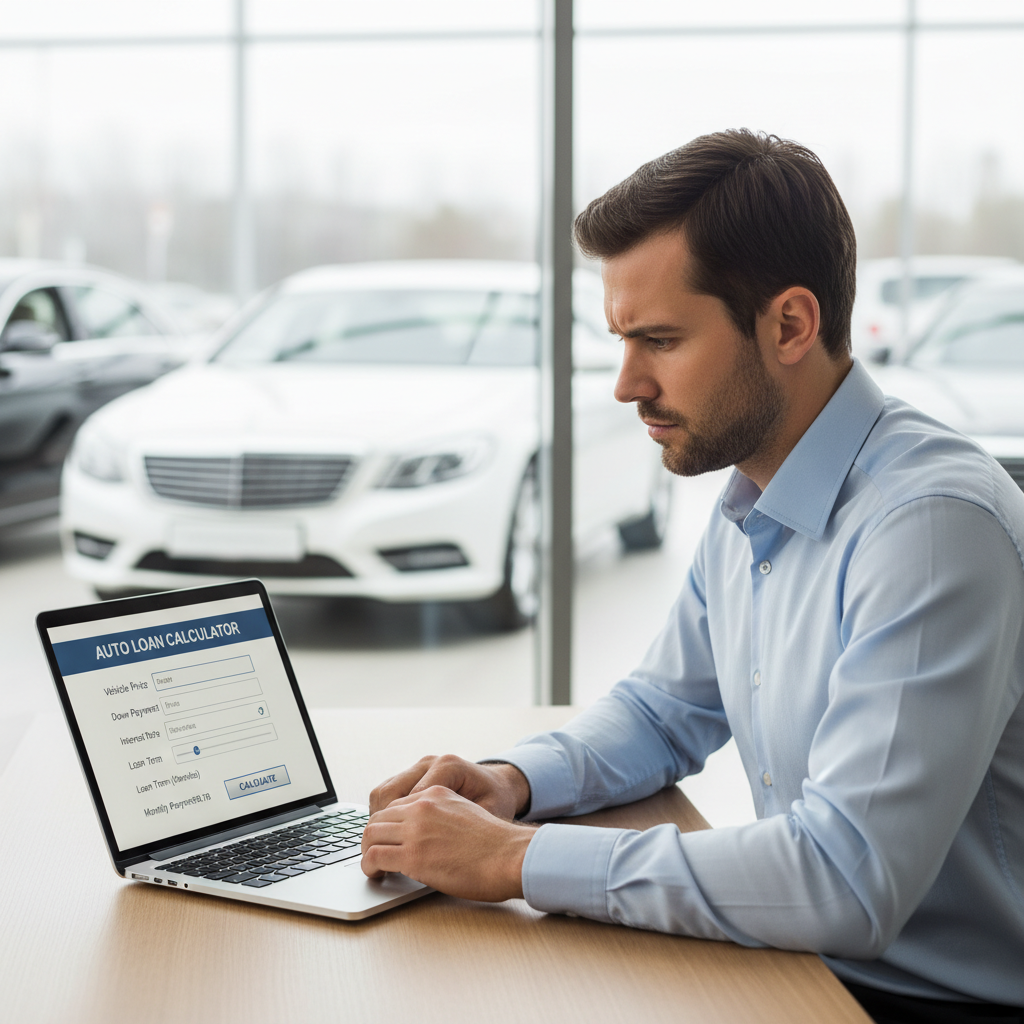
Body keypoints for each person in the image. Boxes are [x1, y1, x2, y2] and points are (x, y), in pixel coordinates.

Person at [360, 130, 1024, 1023]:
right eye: (622, 341)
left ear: (790, 324)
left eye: (660, 340)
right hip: (803, 970)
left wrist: (511, 860)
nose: (627, 383)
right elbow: (663, 711)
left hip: (933, 1001)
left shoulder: (932, 527)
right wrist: (510, 784)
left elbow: (846, 878)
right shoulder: (758, 487)